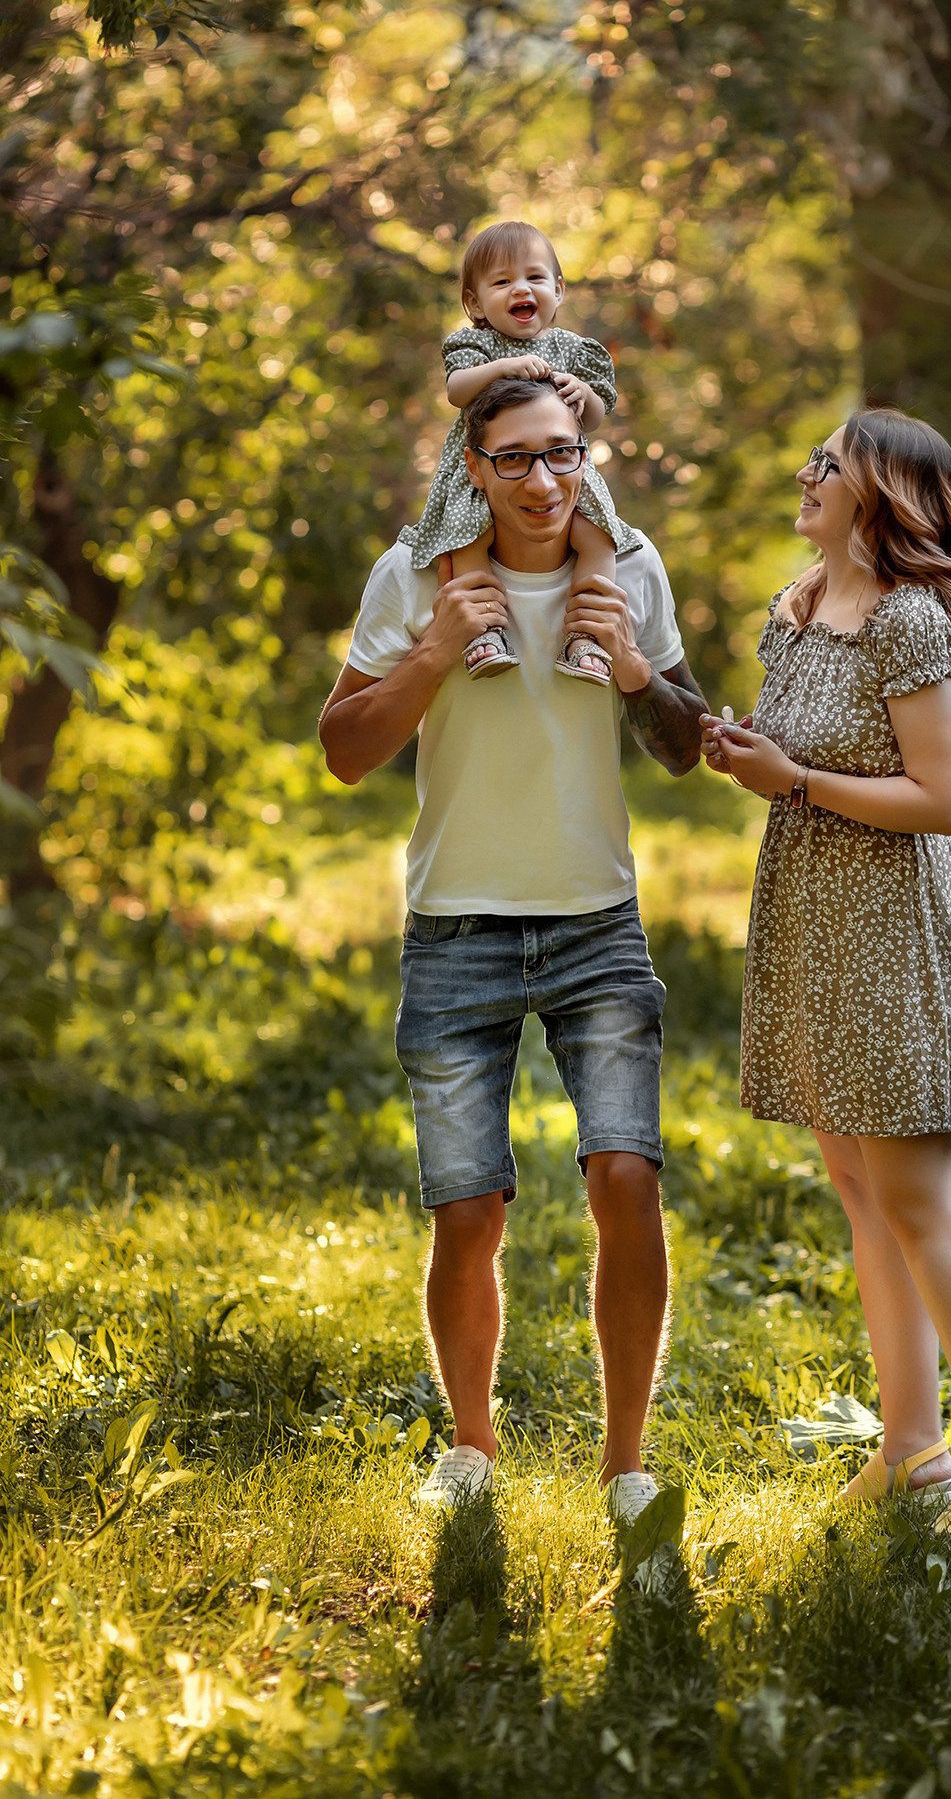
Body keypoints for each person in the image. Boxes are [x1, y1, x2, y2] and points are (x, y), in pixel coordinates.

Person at [319, 375, 708, 1527]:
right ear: (473, 470)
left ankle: (625, 1464)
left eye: (562, 453)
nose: (544, 480)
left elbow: (683, 744)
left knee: (626, 1177)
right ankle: (472, 1447)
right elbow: (343, 749)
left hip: (597, 922)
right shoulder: (415, 577)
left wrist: (635, 671)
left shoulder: (628, 568)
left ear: (586, 455)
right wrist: (435, 652)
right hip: (457, 930)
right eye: (516, 459)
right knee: (468, 1212)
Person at [701, 408, 951, 1541]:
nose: (805, 474)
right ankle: (912, 1450)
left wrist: (795, 782)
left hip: (889, 931)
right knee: (861, 1189)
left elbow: (942, 799)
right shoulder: (799, 607)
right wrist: (754, 755)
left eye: (829, 463)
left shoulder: (908, 618)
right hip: (813, 924)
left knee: (917, 1195)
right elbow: (800, 754)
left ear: (883, 492)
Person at [402, 218, 641, 686]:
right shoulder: (476, 344)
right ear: (475, 303)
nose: (521, 289)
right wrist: (503, 367)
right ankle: (484, 633)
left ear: (558, 289)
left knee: (598, 537)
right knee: (470, 538)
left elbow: (595, 415)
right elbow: (456, 390)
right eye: (502, 282)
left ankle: (585, 637)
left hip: (562, 469)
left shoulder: (573, 349)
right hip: (486, 474)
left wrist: (582, 394)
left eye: (534, 277)